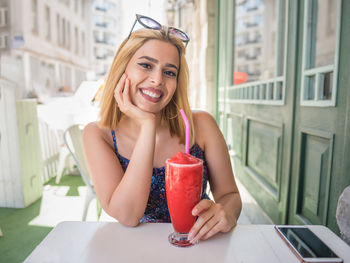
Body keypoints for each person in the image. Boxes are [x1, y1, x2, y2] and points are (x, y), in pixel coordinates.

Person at [83, 14, 242, 244]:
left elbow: (230, 196)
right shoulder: (99, 135)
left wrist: (226, 212)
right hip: (137, 251)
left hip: (199, 246)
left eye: (169, 72)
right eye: (146, 65)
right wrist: (148, 125)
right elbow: (128, 216)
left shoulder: (202, 125)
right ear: (122, 69)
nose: (157, 80)